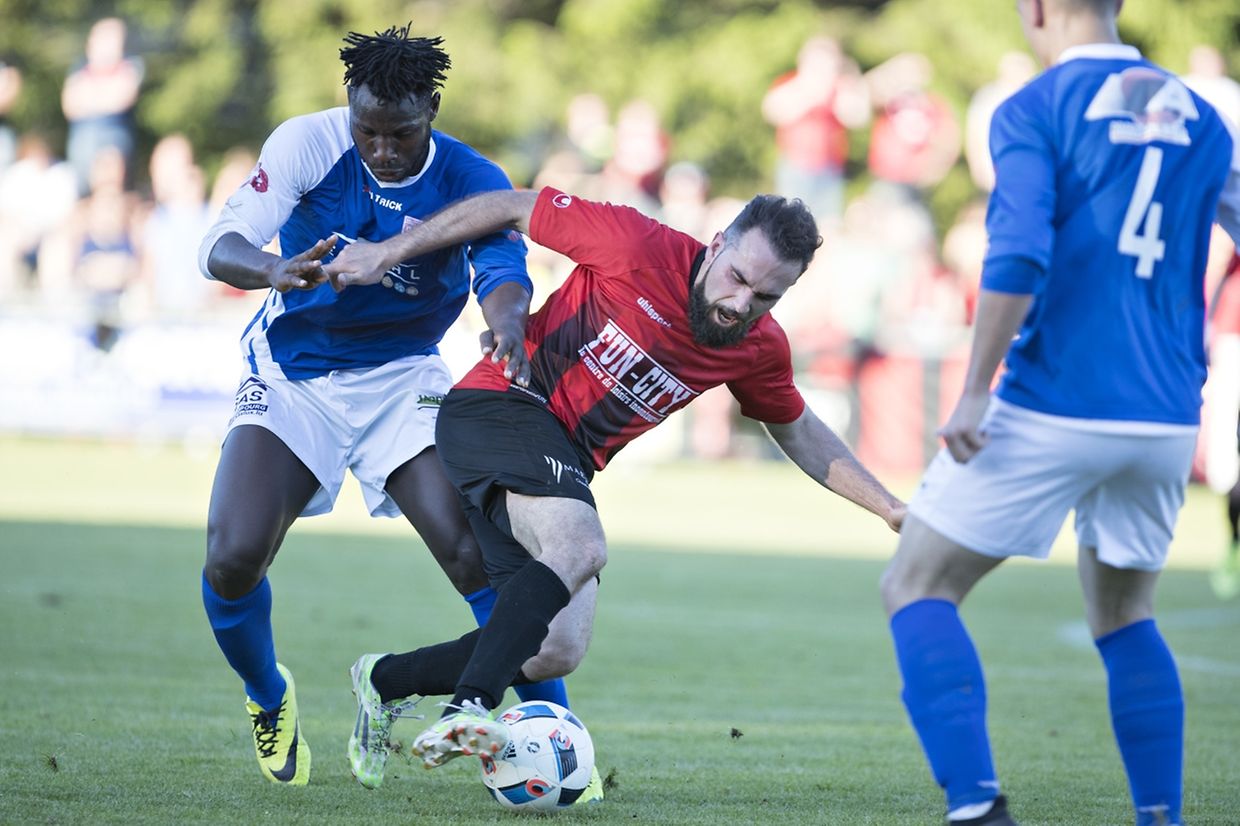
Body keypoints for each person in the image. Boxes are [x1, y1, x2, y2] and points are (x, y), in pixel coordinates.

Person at [323, 186, 907, 777]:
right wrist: (388, 252)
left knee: (557, 649)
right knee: (580, 545)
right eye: (736, 277)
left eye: (765, 296)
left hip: (561, 461)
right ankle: (470, 705)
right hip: (501, 404)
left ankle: (383, 678)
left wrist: (890, 509)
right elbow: (508, 206)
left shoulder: (756, 347)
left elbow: (800, 430)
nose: (739, 302)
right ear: (717, 243)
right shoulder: (635, 245)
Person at [877, 1, 1240, 824]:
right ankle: (1160, 817)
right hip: (1166, 414)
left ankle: (976, 807)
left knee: (917, 584)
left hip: (1058, 398)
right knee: (1124, 614)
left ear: (1037, 7)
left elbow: (1017, 253)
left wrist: (972, 390)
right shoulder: (1206, 118)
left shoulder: (1034, 108)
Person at [195, 24, 576, 790]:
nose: (383, 149)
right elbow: (220, 244)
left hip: (404, 379)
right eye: (368, 131)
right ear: (349, 107)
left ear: (432, 109)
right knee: (232, 556)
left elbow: (501, 267)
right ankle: (268, 695)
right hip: (294, 374)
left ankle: (555, 736)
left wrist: (505, 324)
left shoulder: (472, 176)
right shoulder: (307, 144)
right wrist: (276, 269)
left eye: (400, 133)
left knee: (476, 553)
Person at [762, 35, 870, 225]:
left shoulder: (840, 88)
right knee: (789, 224)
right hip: (796, 165)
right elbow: (772, 110)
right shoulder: (792, 84)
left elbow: (858, 117)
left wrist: (849, 84)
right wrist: (810, 91)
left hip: (829, 167)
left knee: (828, 224)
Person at [60, 18, 143, 194]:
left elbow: (122, 99)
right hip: (82, 140)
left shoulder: (131, 65)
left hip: (114, 138)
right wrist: (105, 94)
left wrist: (90, 97)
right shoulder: (79, 68)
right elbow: (70, 106)